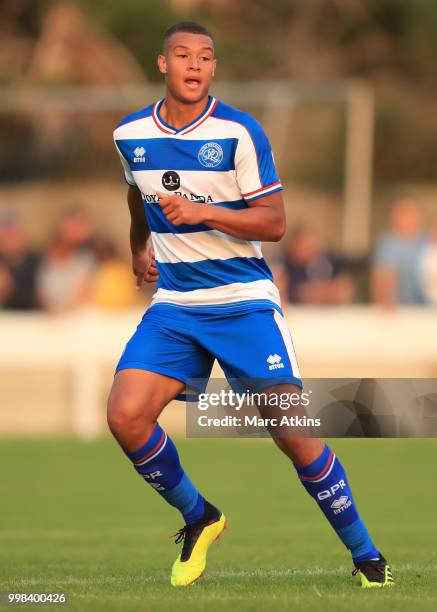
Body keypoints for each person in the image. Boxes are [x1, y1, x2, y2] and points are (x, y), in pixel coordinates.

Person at [108, 22, 393, 588]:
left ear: (214, 67)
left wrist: (204, 212)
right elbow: (137, 195)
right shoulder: (129, 133)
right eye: (183, 55)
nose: (195, 65)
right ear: (162, 63)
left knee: (292, 432)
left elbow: (275, 222)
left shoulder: (240, 132)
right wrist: (140, 246)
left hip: (243, 303)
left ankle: (368, 559)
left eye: (206, 57)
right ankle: (200, 517)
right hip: (176, 306)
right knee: (125, 416)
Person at [371, 196, 428, 307]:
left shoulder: (428, 240)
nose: (404, 217)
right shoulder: (387, 244)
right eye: (400, 213)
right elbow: (382, 279)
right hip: (399, 309)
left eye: (408, 212)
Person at [280, 226, 355, 304]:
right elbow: (301, 295)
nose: (310, 249)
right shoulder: (286, 267)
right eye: (304, 246)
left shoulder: (329, 261)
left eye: (311, 244)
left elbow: (345, 289)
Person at [0, 211, 40, 310]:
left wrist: (10, 288)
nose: (10, 242)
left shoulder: (35, 262)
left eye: (13, 236)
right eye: (6, 237)